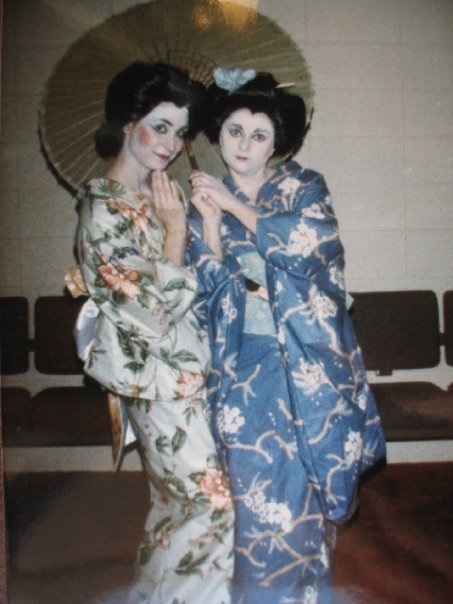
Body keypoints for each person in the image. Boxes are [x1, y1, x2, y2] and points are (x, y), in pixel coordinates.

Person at [188, 67, 386, 604]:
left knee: (304, 493)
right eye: (234, 131)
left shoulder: (304, 186)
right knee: (254, 494)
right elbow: (205, 295)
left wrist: (235, 207)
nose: (244, 144)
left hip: (305, 362)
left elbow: (316, 247)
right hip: (244, 367)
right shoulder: (206, 198)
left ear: (276, 142)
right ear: (217, 134)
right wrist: (210, 224)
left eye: (259, 135)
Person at [73, 62, 234, 604]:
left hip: (193, 371)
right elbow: (150, 315)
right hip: (157, 380)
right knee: (209, 504)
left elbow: (197, 288)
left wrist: (202, 226)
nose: (171, 144)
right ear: (127, 122)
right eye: (159, 126)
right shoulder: (102, 211)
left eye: (180, 131)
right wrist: (173, 235)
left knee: (181, 507)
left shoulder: (163, 196)